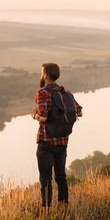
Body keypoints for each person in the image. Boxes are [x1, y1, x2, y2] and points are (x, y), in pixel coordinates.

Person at [31, 62, 82, 210]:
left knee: (46, 179)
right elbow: (79, 112)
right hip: (62, 141)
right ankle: (63, 206)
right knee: (61, 176)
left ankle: (46, 210)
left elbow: (44, 117)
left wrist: (34, 115)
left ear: (45, 75)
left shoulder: (42, 93)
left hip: (46, 141)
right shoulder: (66, 92)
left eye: (42, 72)